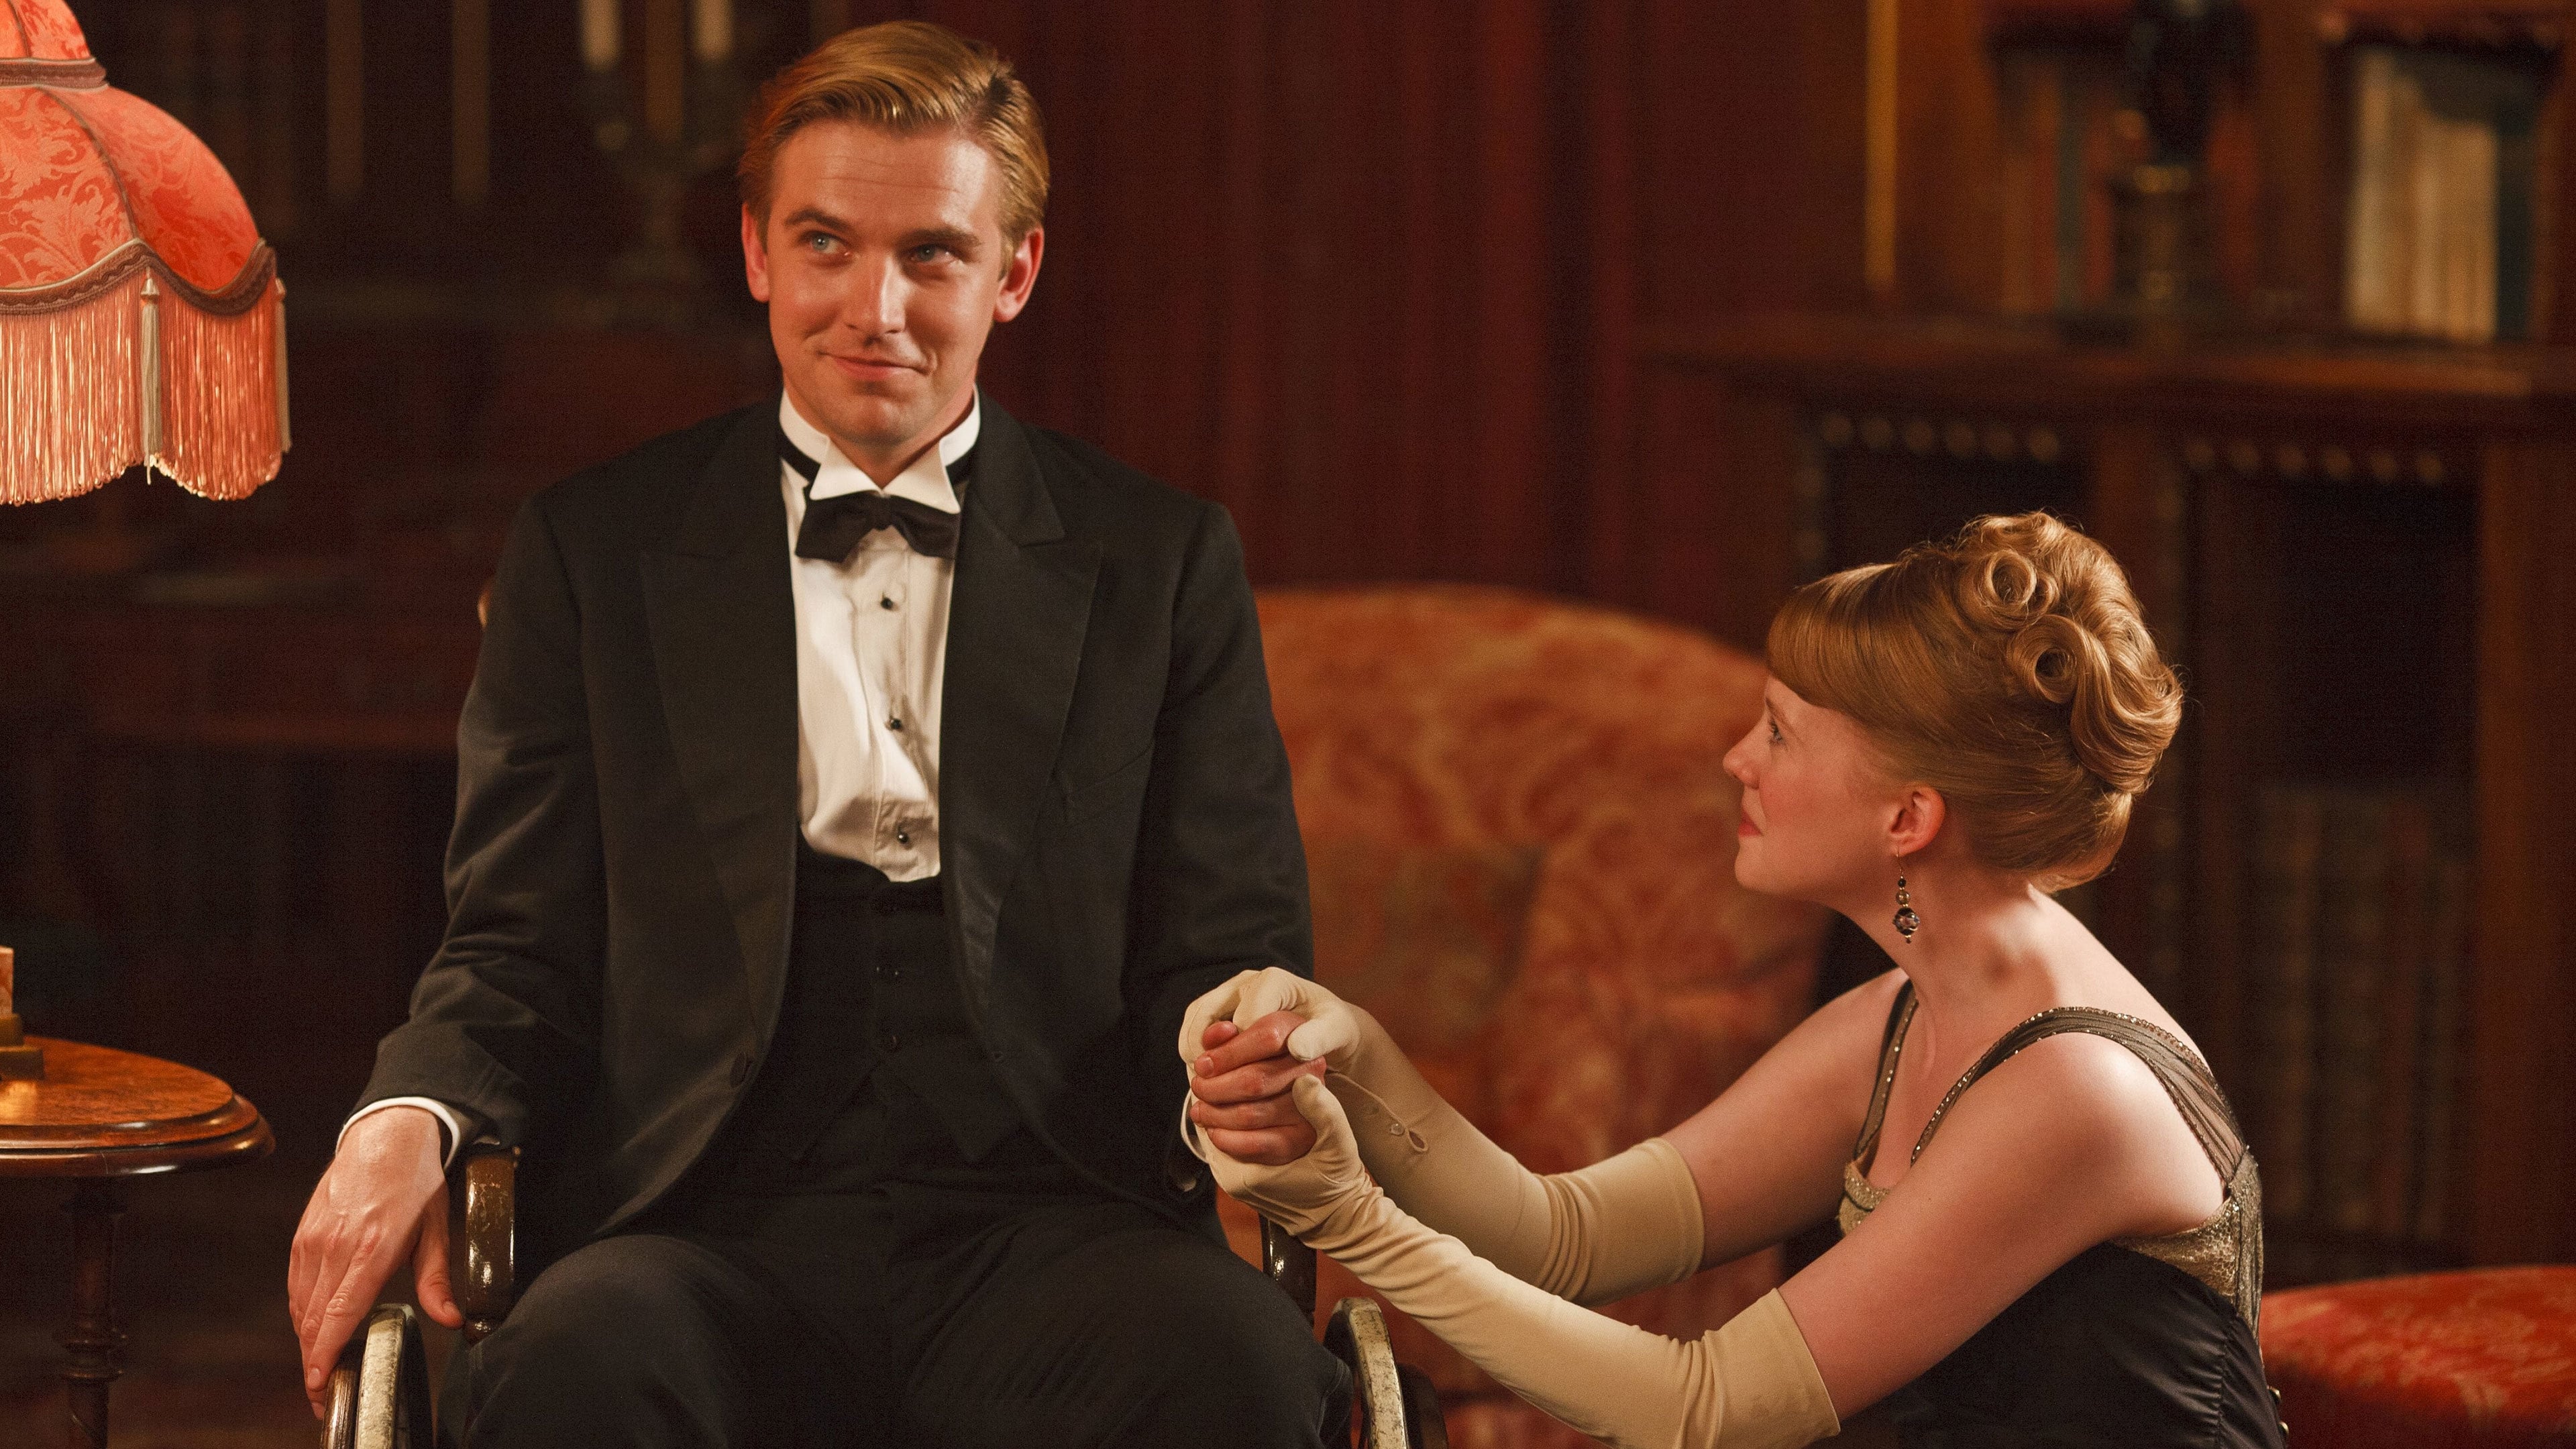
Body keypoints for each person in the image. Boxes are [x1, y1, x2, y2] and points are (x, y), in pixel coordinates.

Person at [286, 21, 1344, 1448]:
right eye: (827, 244)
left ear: (1015, 273)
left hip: (1053, 1224)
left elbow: (1229, 945)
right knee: (573, 1366)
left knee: (1242, 1372)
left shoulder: (1161, 561)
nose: (874, 308)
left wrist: (1239, 1063)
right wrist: (405, 1119)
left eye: (933, 255)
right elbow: (514, 946)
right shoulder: (594, 550)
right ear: (756, 253)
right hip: (699, 1225)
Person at [1186, 513, 2286, 1448]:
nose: (1737, 760)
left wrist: (1352, 1220)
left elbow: (1707, 1408)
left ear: (1908, 818)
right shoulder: (1904, 1017)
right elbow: (1566, 1238)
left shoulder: (2078, 1092)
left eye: (1780, 733)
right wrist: (1351, 1055)